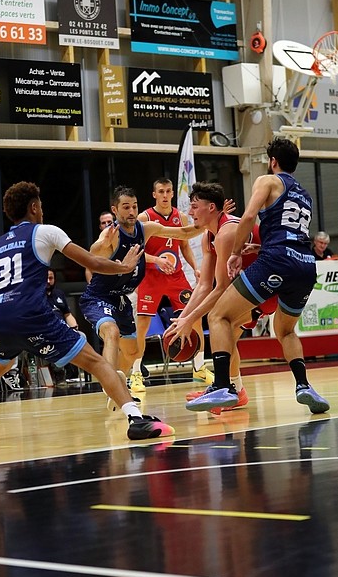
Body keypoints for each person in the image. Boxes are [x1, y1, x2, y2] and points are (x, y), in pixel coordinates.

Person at [0, 181, 174, 442]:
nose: (42, 210)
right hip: (32, 314)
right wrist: (124, 267)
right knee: (97, 362)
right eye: (41, 206)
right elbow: (92, 262)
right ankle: (136, 419)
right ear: (34, 207)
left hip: (0, 316)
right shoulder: (46, 232)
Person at [186, 138, 329, 414]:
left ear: (273, 161)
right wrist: (261, 247)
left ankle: (223, 386)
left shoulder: (267, 180)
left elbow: (249, 216)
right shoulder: (305, 195)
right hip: (305, 265)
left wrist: (236, 252)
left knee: (218, 316)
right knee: (285, 330)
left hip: (276, 261)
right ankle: (303, 385)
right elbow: (291, 232)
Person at [79, 184, 205, 408]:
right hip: (100, 296)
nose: (131, 211)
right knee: (111, 332)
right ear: (115, 210)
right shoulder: (111, 234)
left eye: (134, 206)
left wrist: (210, 221)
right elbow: (93, 252)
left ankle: (116, 387)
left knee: (132, 352)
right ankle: (112, 388)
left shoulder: (145, 229)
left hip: (122, 298)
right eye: (125, 207)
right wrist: (103, 245)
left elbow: (184, 233)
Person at [164, 181, 277, 411]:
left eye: (194, 207)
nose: (190, 212)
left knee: (221, 323)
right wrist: (182, 319)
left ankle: (225, 388)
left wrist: (190, 319)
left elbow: (221, 288)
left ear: (212, 208)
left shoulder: (227, 233)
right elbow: (204, 285)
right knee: (226, 334)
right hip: (247, 288)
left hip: (270, 286)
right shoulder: (209, 236)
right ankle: (233, 390)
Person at [130, 177, 210, 394]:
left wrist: (195, 267)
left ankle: (199, 367)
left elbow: (185, 246)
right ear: (154, 194)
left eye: (168, 191)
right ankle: (136, 373)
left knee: (194, 316)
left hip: (176, 276)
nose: (165, 195)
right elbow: (135, 252)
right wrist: (156, 260)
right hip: (151, 277)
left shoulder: (180, 217)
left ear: (173, 193)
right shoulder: (144, 218)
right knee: (142, 324)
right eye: (161, 191)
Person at [45, 268, 79, 384]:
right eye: (46, 278)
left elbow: (67, 314)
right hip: (46, 331)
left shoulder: (59, 294)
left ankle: (73, 373)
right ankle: (59, 371)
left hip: (63, 330)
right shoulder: (35, 296)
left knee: (80, 337)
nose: (48, 281)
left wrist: (74, 327)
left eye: (51, 278)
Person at [85, 211, 115, 284]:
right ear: (100, 227)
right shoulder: (96, 246)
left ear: (115, 223)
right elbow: (88, 269)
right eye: (103, 223)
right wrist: (92, 286)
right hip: (103, 284)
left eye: (109, 222)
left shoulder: (123, 240)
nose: (107, 225)